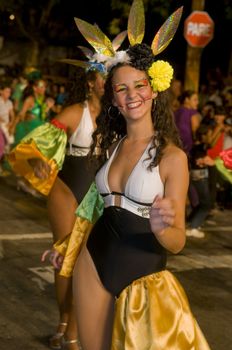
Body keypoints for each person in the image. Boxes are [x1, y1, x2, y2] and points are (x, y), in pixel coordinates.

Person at [53, 1, 211, 348]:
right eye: (121, 89)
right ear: (114, 100)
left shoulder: (172, 158)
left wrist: (161, 226)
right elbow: (95, 210)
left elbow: (178, 242)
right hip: (92, 263)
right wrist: (69, 245)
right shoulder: (112, 147)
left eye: (139, 86)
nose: (131, 95)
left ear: (153, 90)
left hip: (143, 276)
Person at [9, 66, 105, 350]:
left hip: (97, 198)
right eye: (105, 78)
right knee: (66, 261)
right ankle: (66, 324)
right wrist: (39, 159)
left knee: (87, 266)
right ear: (90, 82)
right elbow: (37, 142)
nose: (110, 83)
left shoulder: (119, 117)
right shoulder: (77, 112)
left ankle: (70, 325)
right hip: (67, 194)